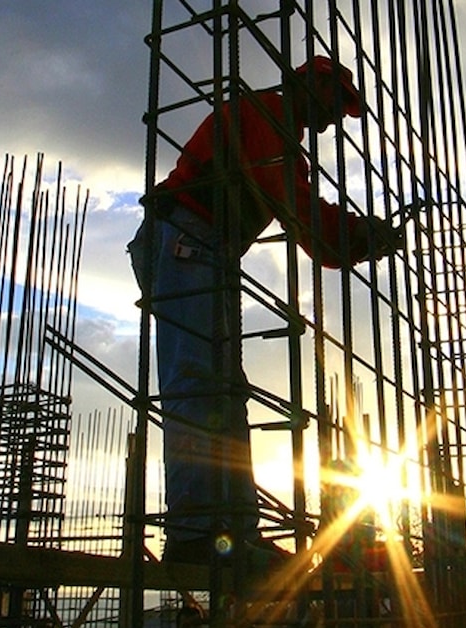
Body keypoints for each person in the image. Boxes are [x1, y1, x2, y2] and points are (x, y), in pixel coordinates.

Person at [130, 55, 401, 569]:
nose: (334, 119)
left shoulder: (275, 133)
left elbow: (314, 233)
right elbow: (307, 221)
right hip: (184, 238)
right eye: (335, 103)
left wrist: (361, 238)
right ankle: (194, 534)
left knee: (225, 394)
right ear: (310, 85)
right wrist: (364, 234)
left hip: (204, 246)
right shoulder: (262, 119)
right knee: (197, 384)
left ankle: (230, 533)